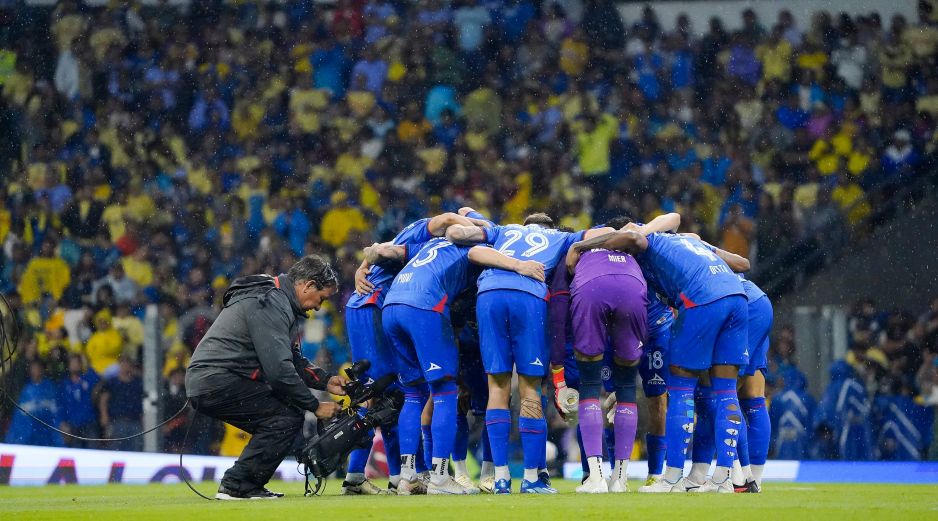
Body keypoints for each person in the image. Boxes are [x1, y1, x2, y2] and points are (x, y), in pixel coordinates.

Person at [566, 225, 748, 493]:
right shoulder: (689, 243)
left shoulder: (647, 241)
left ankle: (672, 478)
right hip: (737, 296)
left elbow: (635, 234)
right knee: (726, 391)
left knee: (681, 388)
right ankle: (724, 478)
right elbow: (742, 263)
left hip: (703, 300)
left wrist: (580, 247)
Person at [368, 235, 544, 494]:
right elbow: (477, 253)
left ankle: (409, 477)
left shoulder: (430, 245)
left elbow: (380, 250)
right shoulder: (476, 247)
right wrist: (519, 265)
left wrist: (364, 267)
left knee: (414, 394)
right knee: (446, 393)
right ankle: (440, 478)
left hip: (392, 306)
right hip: (424, 306)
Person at [185, 255, 348, 500]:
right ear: (308, 285)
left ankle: (241, 484)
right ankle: (238, 485)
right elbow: (280, 372)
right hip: (216, 380)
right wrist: (315, 406)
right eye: (321, 298)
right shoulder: (272, 303)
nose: (318, 306)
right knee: (285, 417)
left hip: (212, 379)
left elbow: (289, 358)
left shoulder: (274, 298)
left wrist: (325, 380)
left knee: (283, 416)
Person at [446, 213, 584, 494]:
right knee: (530, 388)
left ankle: (500, 478)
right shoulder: (560, 237)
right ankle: (532, 478)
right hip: (528, 298)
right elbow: (595, 238)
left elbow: (464, 239)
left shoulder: (502, 231)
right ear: (550, 227)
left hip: (488, 296)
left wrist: (478, 222)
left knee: (497, 387)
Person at [343, 212, 479, 495]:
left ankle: (402, 475)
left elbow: (379, 249)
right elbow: (447, 218)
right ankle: (373, 475)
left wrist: (362, 266)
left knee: (394, 392)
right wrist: (475, 228)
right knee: (383, 396)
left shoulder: (416, 244)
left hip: (372, 306)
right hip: (376, 305)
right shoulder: (426, 234)